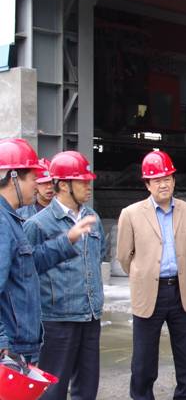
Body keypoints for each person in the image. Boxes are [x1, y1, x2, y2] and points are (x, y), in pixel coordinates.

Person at [0, 138, 95, 366]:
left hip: (20, 344)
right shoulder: (2, 223)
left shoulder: (11, 219)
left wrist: (67, 240)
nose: (38, 185)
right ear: (13, 177)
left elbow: (29, 264)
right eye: (34, 178)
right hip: (11, 348)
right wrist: (2, 343)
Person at [117, 150, 186, 399]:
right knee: (144, 357)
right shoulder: (131, 214)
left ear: (174, 180)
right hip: (148, 292)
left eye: (167, 179)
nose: (163, 184)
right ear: (147, 184)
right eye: (157, 180)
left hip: (180, 290)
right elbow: (124, 256)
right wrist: (143, 273)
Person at [23, 151, 105, 400]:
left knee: (87, 387)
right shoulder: (38, 225)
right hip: (57, 319)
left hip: (90, 316)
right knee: (52, 390)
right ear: (62, 185)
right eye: (82, 181)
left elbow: (98, 255)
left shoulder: (92, 218)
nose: (88, 186)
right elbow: (28, 270)